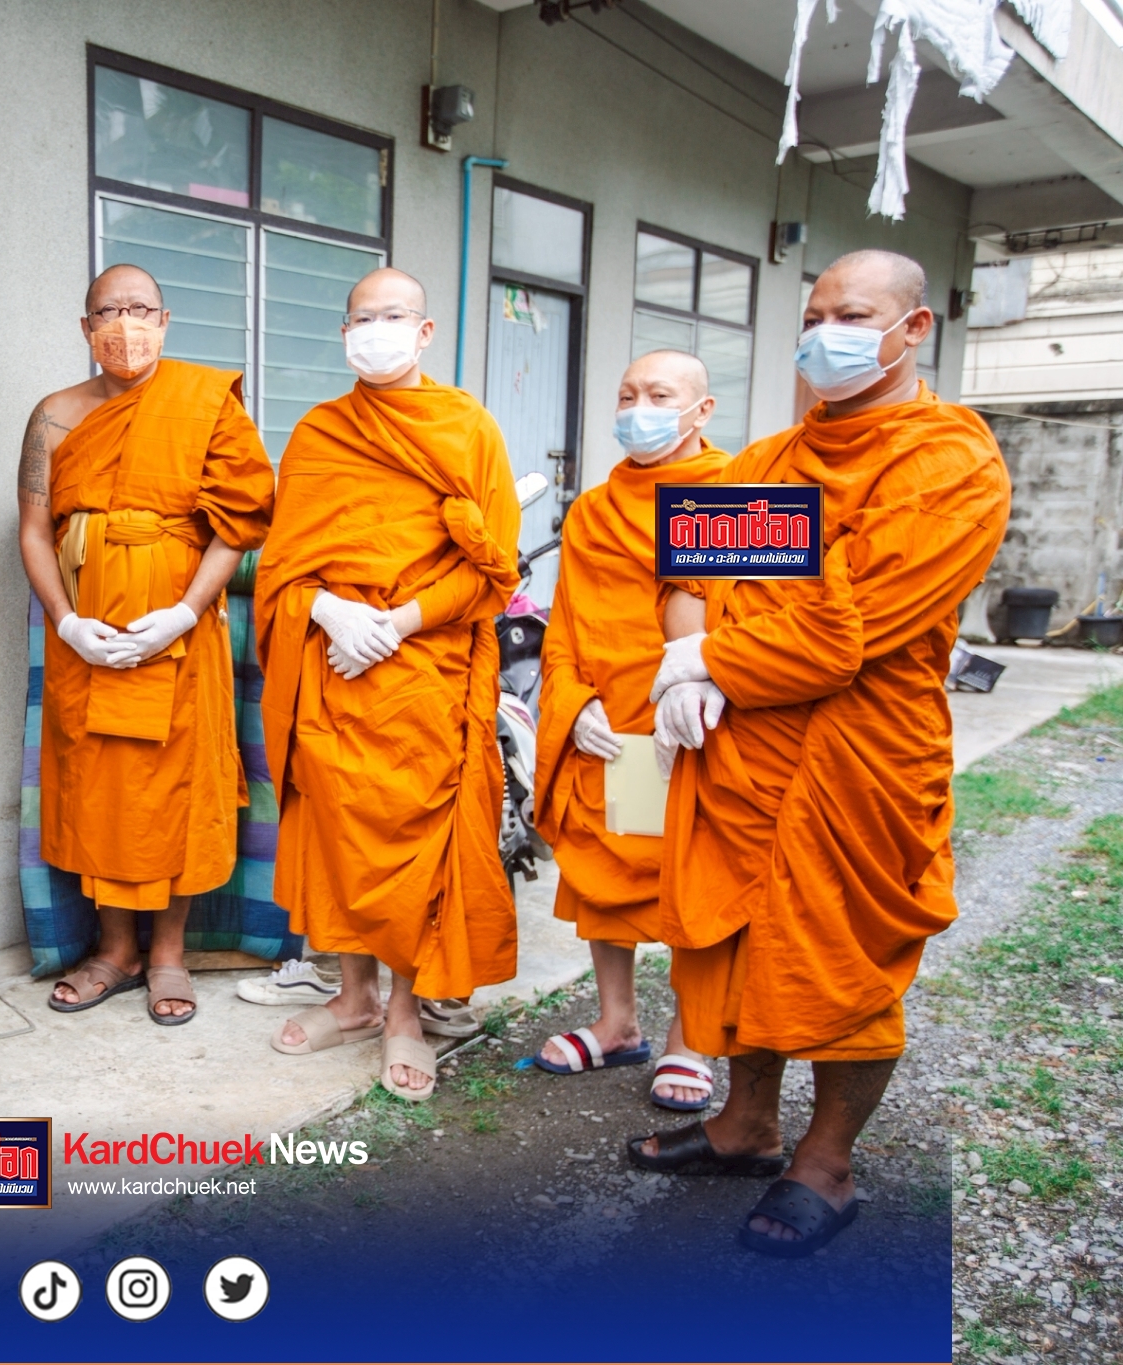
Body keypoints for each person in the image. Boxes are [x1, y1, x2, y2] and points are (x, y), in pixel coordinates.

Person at [631, 250, 1010, 1257]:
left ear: (912, 329)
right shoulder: (763, 465)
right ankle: (743, 1126)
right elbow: (686, 575)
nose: (824, 333)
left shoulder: (947, 464)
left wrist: (711, 655)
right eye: (814, 313)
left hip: (856, 758)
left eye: (853, 314)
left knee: (841, 959)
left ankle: (825, 1163)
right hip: (736, 749)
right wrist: (682, 654)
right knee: (735, 939)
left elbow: (849, 631)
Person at [256, 267, 521, 1098]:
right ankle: (353, 995)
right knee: (337, 830)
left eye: (393, 315)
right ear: (344, 335)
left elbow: (494, 568)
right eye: (361, 318)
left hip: (424, 662)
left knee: (416, 840)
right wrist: (331, 612)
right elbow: (282, 568)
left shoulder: (468, 427)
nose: (376, 330)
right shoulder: (318, 433)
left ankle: (405, 1009)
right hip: (334, 661)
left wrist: (399, 624)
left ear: (426, 331)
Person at [21, 263, 275, 1025]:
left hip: (177, 631)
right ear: (85, 327)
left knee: (178, 791)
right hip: (87, 633)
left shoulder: (204, 404)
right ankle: (114, 949)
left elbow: (238, 523)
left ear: (164, 321)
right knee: (100, 793)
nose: (124, 325)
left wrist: (186, 612)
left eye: (140, 310)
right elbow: (34, 530)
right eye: (108, 311)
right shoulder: (55, 415)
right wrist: (66, 622)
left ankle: (168, 953)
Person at [532, 350, 730, 1110]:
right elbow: (568, 622)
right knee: (602, 875)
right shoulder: (594, 508)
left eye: (658, 394)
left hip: (693, 724)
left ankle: (690, 1037)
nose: (637, 407)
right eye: (626, 394)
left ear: (700, 411)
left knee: (695, 877)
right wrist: (573, 699)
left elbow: (737, 613)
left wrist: (709, 682)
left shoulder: (731, 496)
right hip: (611, 724)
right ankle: (618, 1022)